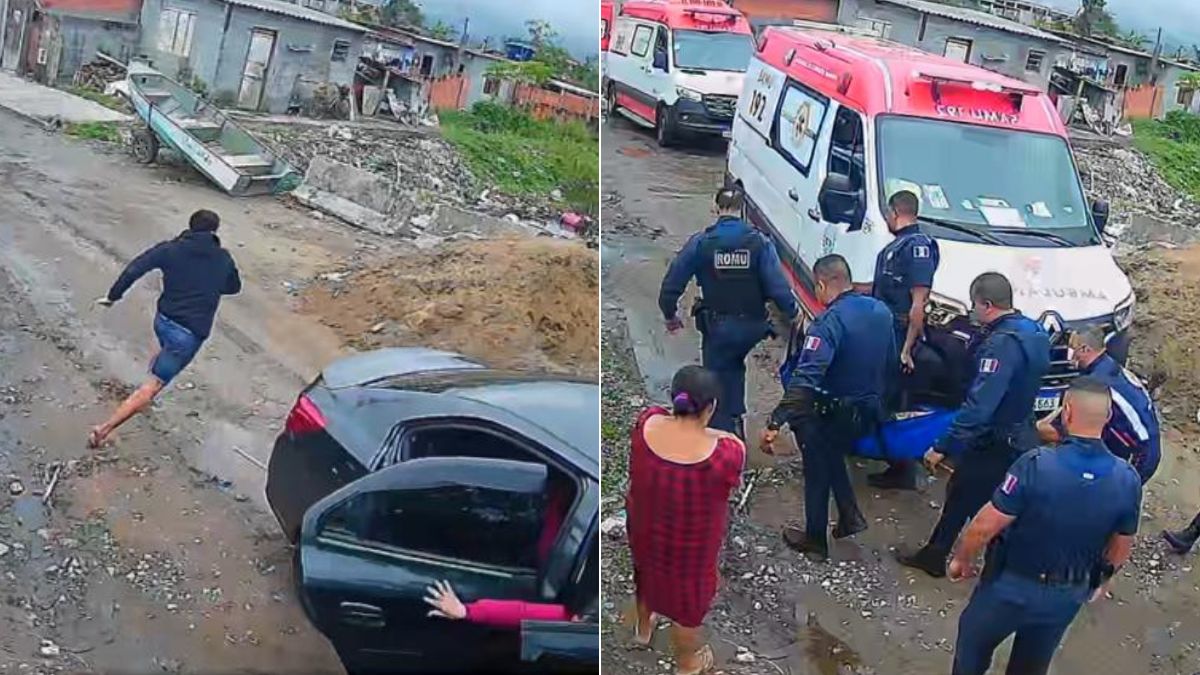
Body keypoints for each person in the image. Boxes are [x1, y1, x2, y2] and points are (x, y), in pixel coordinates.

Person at [948, 376, 1142, 675]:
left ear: (1066, 411)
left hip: (1010, 586)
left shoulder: (1036, 465)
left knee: (972, 649)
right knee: (1031, 666)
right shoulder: (1127, 479)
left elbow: (985, 525)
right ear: (1108, 417)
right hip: (1066, 594)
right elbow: (1122, 543)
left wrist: (962, 558)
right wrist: (1102, 579)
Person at [896, 272, 1051, 578]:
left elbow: (981, 405)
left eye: (975, 305)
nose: (973, 312)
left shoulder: (1001, 345)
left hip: (994, 439)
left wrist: (943, 445)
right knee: (994, 499)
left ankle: (945, 558)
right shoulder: (1032, 331)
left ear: (988, 305)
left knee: (968, 498)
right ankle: (943, 554)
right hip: (1021, 432)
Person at [760, 255, 894, 560]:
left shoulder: (828, 324)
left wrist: (775, 420)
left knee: (817, 467)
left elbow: (806, 377)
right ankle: (849, 515)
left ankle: (815, 540)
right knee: (833, 454)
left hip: (834, 410)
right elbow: (890, 362)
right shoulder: (880, 311)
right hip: (868, 409)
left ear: (822, 284)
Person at [626, 365, 746, 675]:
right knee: (687, 608)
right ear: (711, 407)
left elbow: (661, 421)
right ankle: (687, 664)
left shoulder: (645, 422)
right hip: (690, 549)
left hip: (644, 529)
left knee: (645, 572)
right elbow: (734, 454)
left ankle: (643, 629)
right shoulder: (725, 454)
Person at [89, 210, 241, 448]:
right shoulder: (223, 258)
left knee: (165, 351)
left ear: (190, 226)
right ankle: (104, 429)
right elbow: (233, 288)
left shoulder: (170, 249)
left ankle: (145, 396)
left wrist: (113, 296)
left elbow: (134, 269)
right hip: (188, 335)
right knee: (155, 383)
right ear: (215, 230)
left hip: (163, 319)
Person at [658, 187, 799, 438]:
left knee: (715, 376)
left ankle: (722, 435)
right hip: (753, 328)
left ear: (716, 209)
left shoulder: (701, 243)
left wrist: (670, 314)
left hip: (718, 328)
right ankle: (736, 419)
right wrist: (794, 315)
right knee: (734, 365)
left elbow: (672, 283)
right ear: (742, 210)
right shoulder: (760, 243)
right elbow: (778, 288)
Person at [869, 190, 941, 491]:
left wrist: (906, 348)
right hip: (888, 332)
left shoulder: (917, 247)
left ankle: (902, 469)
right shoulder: (897, 247)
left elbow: (917, 304)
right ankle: (888, 456)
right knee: (882, 396)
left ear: (895, 212)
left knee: (890, 401)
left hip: (900, 335)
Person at [1036, 327, 1161, 484]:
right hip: (1143, 439)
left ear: (1085, 349)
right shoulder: (1108, 366)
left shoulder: (1097, 385)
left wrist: (1035, 428)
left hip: (1138, 455)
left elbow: (1058, 432)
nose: (1069, 356)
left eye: (1071, 349)